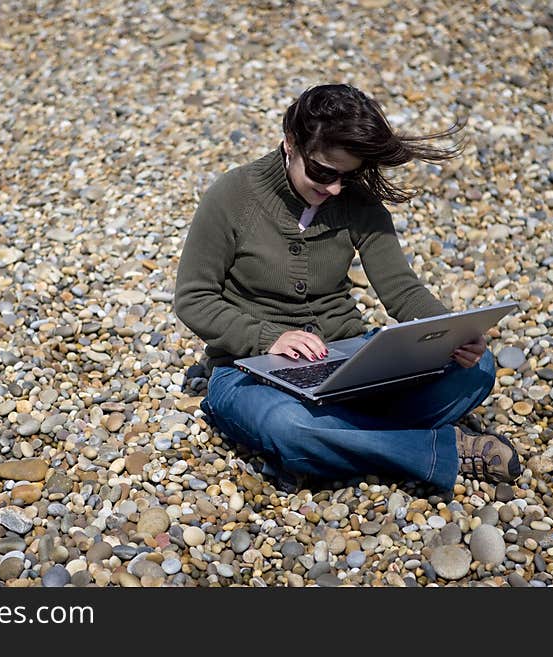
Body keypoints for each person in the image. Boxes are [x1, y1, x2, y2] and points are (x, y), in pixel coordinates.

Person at [174, 84, 520, 492]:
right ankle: (437, 448)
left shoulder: (356, 200)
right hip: (249, 372)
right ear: (290, 142)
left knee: (477, 368)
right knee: (290, 427)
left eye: (347, 175)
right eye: (323, 172)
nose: (335, 188)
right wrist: (270, 338)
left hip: (350, 362)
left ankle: (349, 437)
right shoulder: (232, 197)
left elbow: (403, 291)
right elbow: (193, 297)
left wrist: (451, 334)